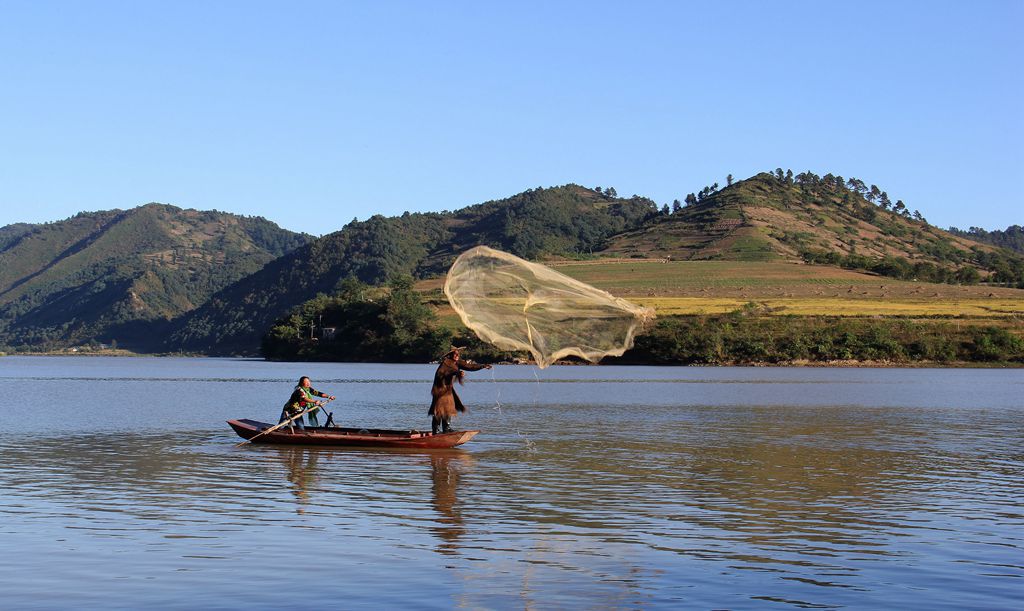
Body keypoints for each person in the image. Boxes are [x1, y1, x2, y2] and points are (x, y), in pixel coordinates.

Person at [429, 347, 491, 434]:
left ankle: (446, 429)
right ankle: (436, 431)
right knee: (439, 410)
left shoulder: (457, 362)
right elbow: (441, 374)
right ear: (450, 355)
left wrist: (483, 366)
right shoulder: (445, 363)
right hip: (440, 389)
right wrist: (456, 373)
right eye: (455, 354)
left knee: (448, 408)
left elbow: (470, 366)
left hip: (448, 389)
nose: (457, 355)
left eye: (458, 354)